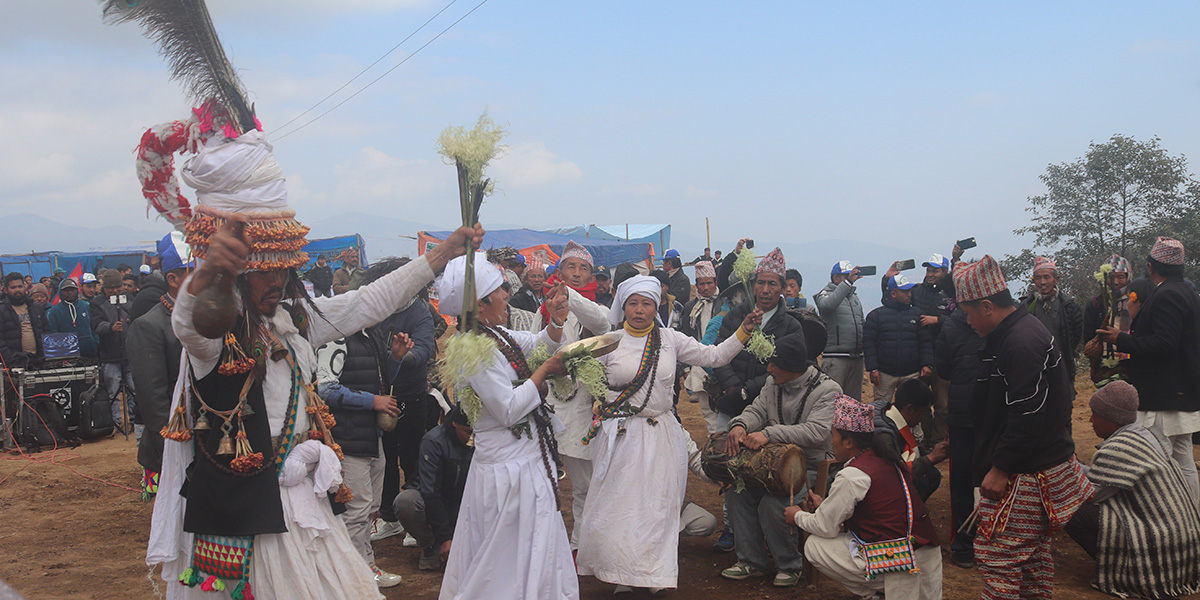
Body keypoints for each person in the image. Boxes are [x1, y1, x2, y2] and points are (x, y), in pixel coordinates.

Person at [575, 275, 761, 595]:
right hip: (620, 437)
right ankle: (623, 578)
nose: (639, 310)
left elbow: (714, 356)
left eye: (646, 303)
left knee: (657, 507)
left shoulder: (671, 339)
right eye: (633, 303)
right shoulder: (608, 342)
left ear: (656, 306)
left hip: (660, 434)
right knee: (621, 507)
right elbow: (583, 382)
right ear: (623, 305)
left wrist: (743, 330)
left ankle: (652, 575)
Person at [434, 251, 577, 600]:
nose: (506, 296)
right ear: (481, 304)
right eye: (500, 290)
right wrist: (544, 373)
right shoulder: (473, 349)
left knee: (532, 541)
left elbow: (541, 343)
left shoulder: (496, 334)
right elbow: (508, 410)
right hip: (505, 470)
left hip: (524, 459)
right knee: (508, 551)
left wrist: (556, 319)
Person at [954, 255, 1093, 600]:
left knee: (998, 554)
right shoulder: (1021, 330)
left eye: (969, 313)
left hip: (1026, 474)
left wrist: (1000, 468)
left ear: (986, 306)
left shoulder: (1021, 342)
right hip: (1035, 464)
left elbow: (1027, 415)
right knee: (1032, 559)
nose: (967, 321)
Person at [786, 395, 943, 600]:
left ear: (849, 442)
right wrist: (826, 506)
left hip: (901, 559)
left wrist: (797, 516)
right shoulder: (887, 459)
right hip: (925, 553)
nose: (831, 442)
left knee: (815, 545)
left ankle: (875, 591)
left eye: (834, 436)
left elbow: (825, 527)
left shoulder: (853, 474)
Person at [720, 332, 838, 587]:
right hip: (772, 464)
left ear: (792, 367)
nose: (768, 367)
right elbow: (757, 409)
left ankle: (790, 564)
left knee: (773, 504)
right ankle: (752, 562)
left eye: (774, 363)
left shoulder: (828, 389)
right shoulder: (773, 383)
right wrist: (740, 424)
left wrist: (768, 433)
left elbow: (818, 431)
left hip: (811, 468)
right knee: (737, 493)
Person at [312, 277, 409, 589]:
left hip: (370, 437)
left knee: (368, 507)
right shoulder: (336, 339)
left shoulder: (369, 336)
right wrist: (372, 402)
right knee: (356, 510)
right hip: (349, 438)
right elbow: (325, 389)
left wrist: (393, 359)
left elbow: (377, 383)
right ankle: (359, 574)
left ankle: (362, 568)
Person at [1064, 380, 1200, 599]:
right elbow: (1106, 478)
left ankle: (1124, 569)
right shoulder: (1145, 437)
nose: (1090, 420)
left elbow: (1091, 494)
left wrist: (1062, 470)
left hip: (1159, 554)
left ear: (1111, 418)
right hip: (1182, 548)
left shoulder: (1119, 448)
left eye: (1095, 414)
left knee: (1070, 507)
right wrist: (1074, 465)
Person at [1098, 237, 1200, 502]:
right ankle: (1193, 515)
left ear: (1151, 266)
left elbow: (1164, 344)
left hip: (1163, 394)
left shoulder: (1167, 295)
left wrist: (1121, 339)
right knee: (1183, 459)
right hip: (1179, 390)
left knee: (1161, 460)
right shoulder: (1186, 291)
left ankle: (1173, 521)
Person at [360, 258, 439, 546]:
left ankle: (413, 521)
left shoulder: (419, 311)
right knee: (384, 459)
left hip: (411, 396)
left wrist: (401, 355)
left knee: (412, 456)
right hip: (378, 397)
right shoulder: (377, 309)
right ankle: (390, 519)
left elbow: (425, 350)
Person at [542, 240, 613, 553]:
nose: (576, 272)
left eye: (583, 268)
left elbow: (600, 324)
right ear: (560, 271)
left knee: (587, 485)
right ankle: (552, 545)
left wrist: (567, 298)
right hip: (553, 410)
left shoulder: (599, 307)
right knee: (548, 485)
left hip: (588, 411)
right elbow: (539, 351)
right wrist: (554, 317)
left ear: (591, 276)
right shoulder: (543, 310)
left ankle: (581, 546)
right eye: (570, 266)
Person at [127, 232, 191, 502]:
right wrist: (178, 445)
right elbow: (153, 400)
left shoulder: (212, 316)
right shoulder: (149, 326)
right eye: (194, 273)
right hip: (174, 442)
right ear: (173, 280)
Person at [393, 405, 474, 572]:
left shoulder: (483, 439)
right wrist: (444, 537)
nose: (472, 438)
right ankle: (430, 545)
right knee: (406, 502)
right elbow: (430, 492)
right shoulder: (434, 441)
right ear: (454, 424)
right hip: (433, 501)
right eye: (467, 431)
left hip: (463, 504)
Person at [934, 305, 984, 569]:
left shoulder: (951, 325)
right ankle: (990, 541)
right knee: (994, 476)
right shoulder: (999, 321)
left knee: (962, 480)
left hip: (963, 413)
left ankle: (964, 544)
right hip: (993, 414)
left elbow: (943, 368)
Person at [870, 378, 946, 500]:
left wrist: (937, 452)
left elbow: (912, 448)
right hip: (882, 487)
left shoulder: (894, 417)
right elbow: (893, 474)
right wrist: (930, 458)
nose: (922, 418)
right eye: (921, 413)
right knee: (924, 480)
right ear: (909, 409)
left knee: (932, 475)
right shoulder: (885, 435)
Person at [863, 274, 933, 403]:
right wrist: (873, 368)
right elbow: (869, 344)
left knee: (911, 409)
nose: (909, 294)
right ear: (893, 294)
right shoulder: (875, 316)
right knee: (881, 409)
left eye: (909, 291)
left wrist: (926, 363)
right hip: (884, 374)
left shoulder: (918, 314)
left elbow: (925, 342)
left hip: (911, 373)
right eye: (904, 291)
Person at [678, 261, 727, 434]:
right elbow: (685, 335)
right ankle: (715, 443)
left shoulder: (724, 304)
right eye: (702, 284)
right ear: (696, 285)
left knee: (724, 406)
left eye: (709, 283)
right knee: (706, 409)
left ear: (715, 283)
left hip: (722, 362)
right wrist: (686, 367)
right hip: (699, 364)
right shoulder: (690, 308)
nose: (706, 288)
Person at [1018, 256, 1084, 383]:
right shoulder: (1025, 307)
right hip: (1035, 367)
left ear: (1056, 280)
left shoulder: (1069, 306)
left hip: (1062, 367)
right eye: (1038, 278)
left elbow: (1074, 336)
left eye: (1047, 277)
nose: (1042, 282)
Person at [92, 269, 136, 434]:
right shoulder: (97, 303)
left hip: (130, 353)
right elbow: (96, 325)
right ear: (104, 288)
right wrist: (111, 327)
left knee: (134, 390)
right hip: (109, 355)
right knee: (112, 391)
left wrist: (132, 320)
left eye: (118, 287)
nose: (115, 291)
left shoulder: (130, 299)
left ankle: (134, 419)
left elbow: (139, 317)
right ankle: (114, 422)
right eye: (111, 288)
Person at [815, 261, 866, 401]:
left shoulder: (854, 298)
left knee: (854, 403)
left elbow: (861, 322)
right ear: (836, 277)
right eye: (846, 276)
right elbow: (827, 306)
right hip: (836, 358)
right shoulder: (825, 294)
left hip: (856, 357)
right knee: (832, 400)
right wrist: (848, 283)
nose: (852, 279)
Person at [1082, 254, 1131, 383]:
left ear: (1128, 277)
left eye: (1120, 277)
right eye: (1111, 277)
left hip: (1132, 364)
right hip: (1104, 367)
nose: (1115, 282)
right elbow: (1088, 335)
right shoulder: (1096, 304)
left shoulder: (1136, 301)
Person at [0, 272, 47, 367]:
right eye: (13, 288)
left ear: (25, 287)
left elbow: (46, 332)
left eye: (20, 286)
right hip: (14, 364)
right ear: (5, 290)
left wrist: (45, 355)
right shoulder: (2, 310)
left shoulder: (36, 308)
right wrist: (11, 359)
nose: (17, 290)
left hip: (39, 361)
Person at [46, 277, 99, 360]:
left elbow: (95, 327)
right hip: (67, 356)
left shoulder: (86, 306)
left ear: (77, 290)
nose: (70, 292)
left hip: (90, 354)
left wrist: (95, 343)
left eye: (72, 290)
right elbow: (53, 333)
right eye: (66, 290)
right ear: (60, 292)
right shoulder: (53, 312)